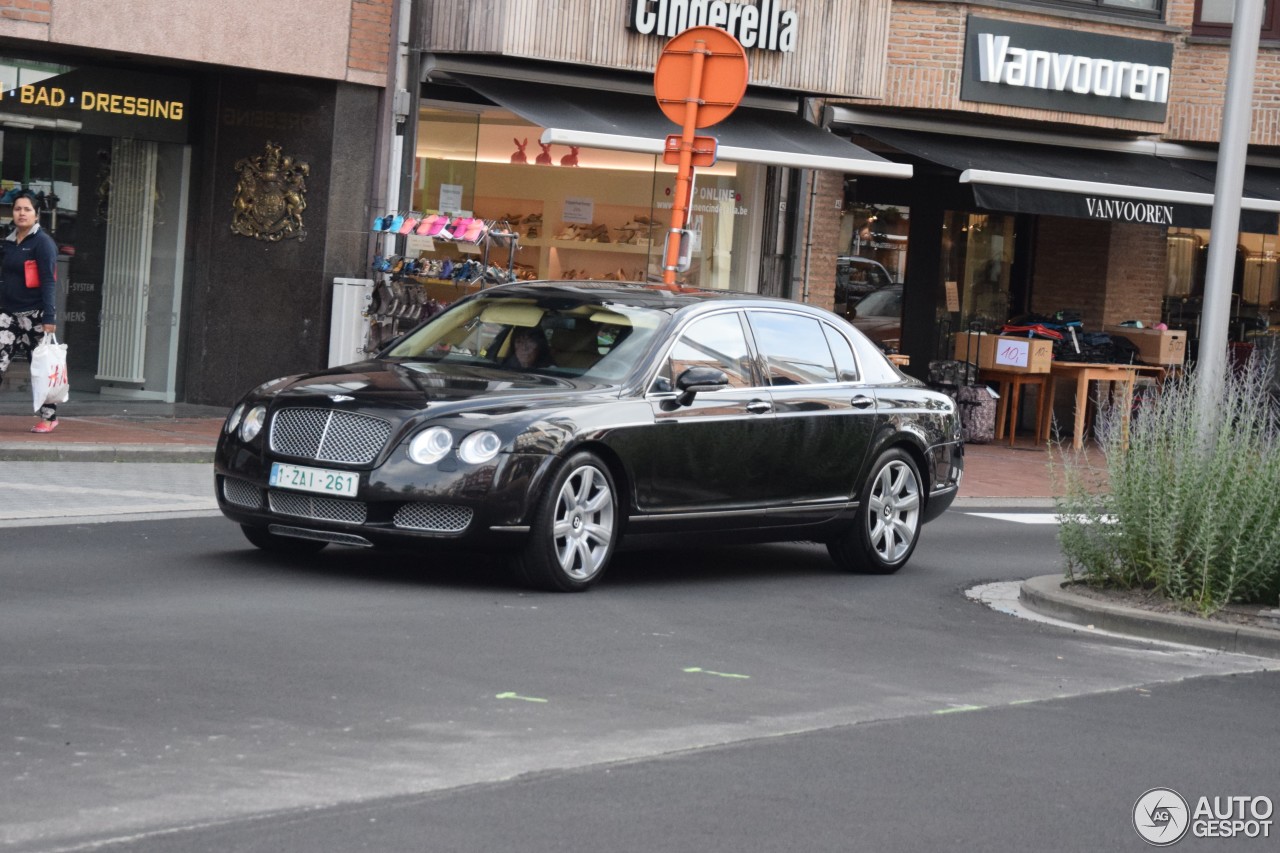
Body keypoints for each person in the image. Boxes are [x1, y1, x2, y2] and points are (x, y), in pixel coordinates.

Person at [0, 190, 61, 432]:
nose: (21, 213)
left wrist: (49, 317)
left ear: (36, 215)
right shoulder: (8, 241)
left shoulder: (43, 243)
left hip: (36, 316)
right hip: (8, 315)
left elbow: (48, 281)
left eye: (27, 209)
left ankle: (49, 418)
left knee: (41, 369)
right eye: (17, 209)